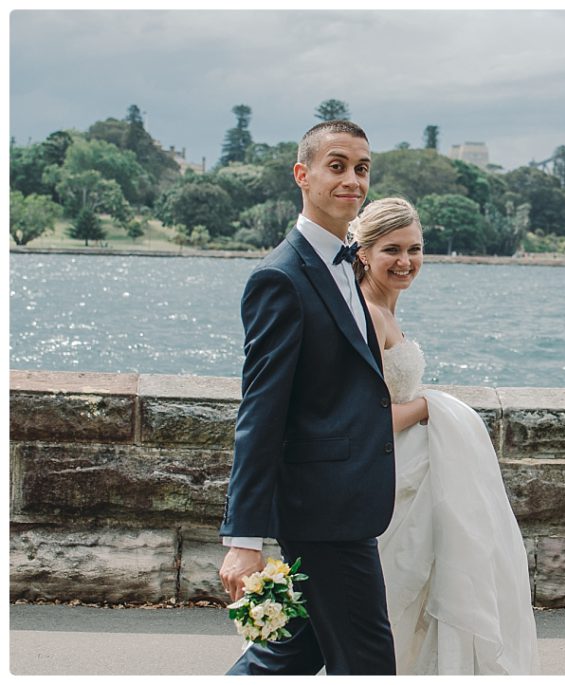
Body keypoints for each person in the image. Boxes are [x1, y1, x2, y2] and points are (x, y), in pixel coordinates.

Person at [218, 120, 404, 675]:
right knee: (369, 664)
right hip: (322, 512)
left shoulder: (350, 263)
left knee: (292, 653)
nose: (353, 180)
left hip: (345, 503)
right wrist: (244, 538)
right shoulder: (280, 278)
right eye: (338, 165)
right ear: (303, 175)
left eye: (363, 168)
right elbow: (261, 412)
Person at [351, 197, 540, 675]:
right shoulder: (369, 315)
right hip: (393, 479)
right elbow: (364, 418)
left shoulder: (387, 311)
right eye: (391, 249)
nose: (406, 261)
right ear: (363, 253)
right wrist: (430, 406)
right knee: (403, 596)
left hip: (414, 467)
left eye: (415, 249)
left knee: (425, 599)